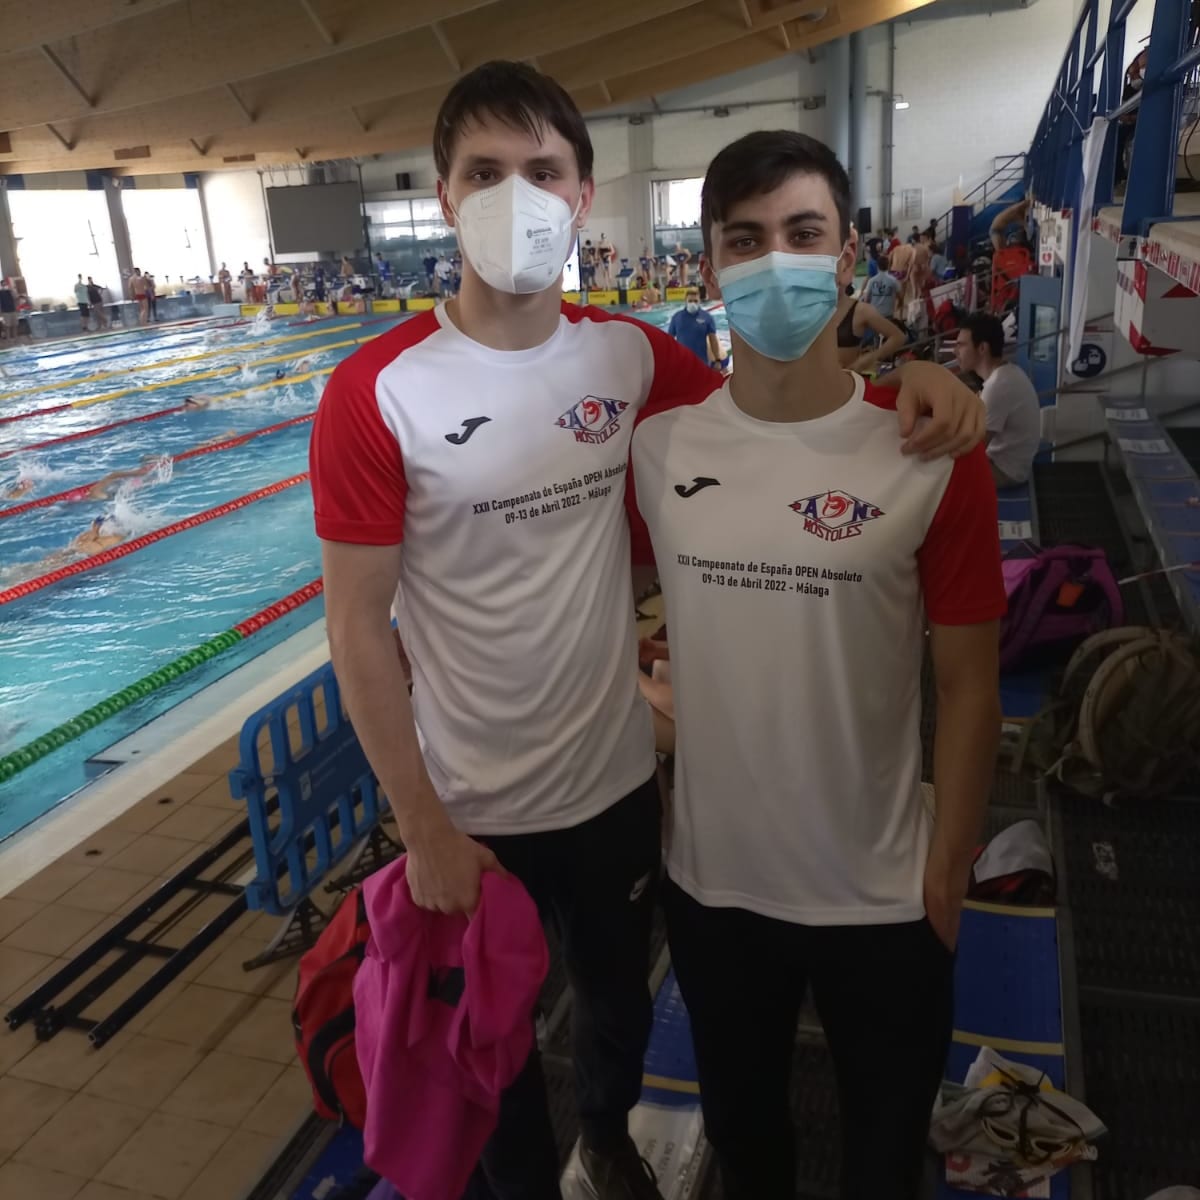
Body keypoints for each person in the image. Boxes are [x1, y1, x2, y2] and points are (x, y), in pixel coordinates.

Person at [309, 60, 983, 1200]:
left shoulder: (627, 361)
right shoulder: (377, 391)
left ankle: (609, 1141)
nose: (515, 196)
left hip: (619, 787)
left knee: (615, 1013)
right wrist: (417, 821)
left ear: (581, 196)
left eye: (542, 171)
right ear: (444, 192)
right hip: (469, 801)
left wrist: (920, 366)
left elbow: (777, 404)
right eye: (485, 170)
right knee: (494, 1053)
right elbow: (356, 628)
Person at [630, 128, 1005, 1200]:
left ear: (846, 255)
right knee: (750, 1158)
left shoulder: (930, 451)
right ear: (710, 267)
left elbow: (970, 683)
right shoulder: (660, 449)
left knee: (883, 1166)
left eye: (802, 233)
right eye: (745, 240)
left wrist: (950, 865)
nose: (775, 261)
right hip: (715, 886)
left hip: (883, 893)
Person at [954, 313, 1041, 488]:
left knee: (937, 468)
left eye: (961, 345)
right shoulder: (1007, 373)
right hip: (1007, 463)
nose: (955, 352)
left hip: (1005, 472)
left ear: (982, 348)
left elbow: (974, 448)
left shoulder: (998, 386)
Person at [836, 286, 906, 374]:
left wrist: (872, 357)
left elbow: (898, 337)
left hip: (847, 377)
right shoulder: (819, 309)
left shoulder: (861, 310)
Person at [667, 288, 722, 367]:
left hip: (701, 362)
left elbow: (713, 339)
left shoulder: (707, 317)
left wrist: (717, 359)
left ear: (699, 301)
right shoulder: (677, 317)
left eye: (695, 301)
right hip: (681, 362)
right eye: (690, 301)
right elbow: (669, 339)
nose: (693, 303)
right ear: (685, 301)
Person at [861, 253, 901, 318]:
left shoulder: (872, 281)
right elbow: (900, 297)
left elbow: (866, 299)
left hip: (874, 315)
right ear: (888, 266)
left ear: (877, 266)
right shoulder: (894, 280)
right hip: (888, 315)